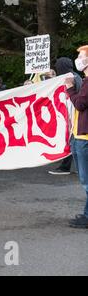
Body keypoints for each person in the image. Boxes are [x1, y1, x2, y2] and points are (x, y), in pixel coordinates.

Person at [65, 45, 88, 229]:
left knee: (86, 180)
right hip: (80, 135)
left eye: (81, 56)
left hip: (85, 137)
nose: (78, 59)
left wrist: (70, 89)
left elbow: (80, 103)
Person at [48, 57, 84, 176]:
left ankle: (66, 167)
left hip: (72, 112)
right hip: (70, 112)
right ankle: (68, 166)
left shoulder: (71, 78)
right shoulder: (74, 76)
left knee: (72, 140)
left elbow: (75, 97)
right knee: (72, 141)